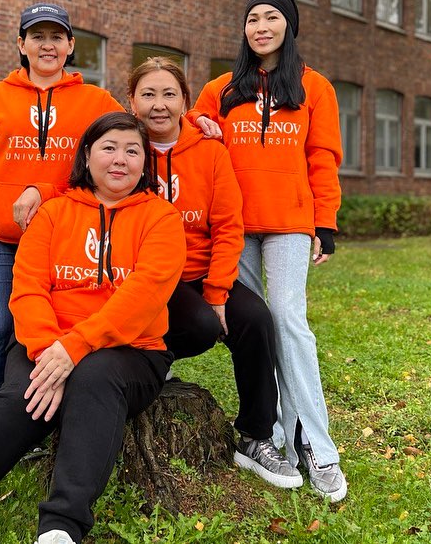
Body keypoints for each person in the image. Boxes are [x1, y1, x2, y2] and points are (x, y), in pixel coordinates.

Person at [0, 112, 186, 544]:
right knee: (22, 397)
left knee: (95, 378)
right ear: (86, 156)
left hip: (133, 350)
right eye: (109, 148)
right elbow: (28, 288)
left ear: (145, 163)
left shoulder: (162, 218)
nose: (120, 159)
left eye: (133, 151)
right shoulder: (53, 213)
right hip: (45, 342)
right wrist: (50, 351)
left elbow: (143, 296)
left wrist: (74, 349)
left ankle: (61, 527)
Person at [191, 0, 347, 502]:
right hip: (233, 225)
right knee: (256, 325)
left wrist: (325, 222)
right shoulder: (220, 88)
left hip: (288, 223)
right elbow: (187, 132)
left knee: (288, 320)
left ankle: (318, 447)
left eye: (271, 17)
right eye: (252, 18)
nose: (260, 26)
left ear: (289, 26)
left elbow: (322, 158)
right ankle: (273, 431)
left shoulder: (314, 87)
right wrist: (201, 125)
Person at [127, 58, 302, 490]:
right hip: (146, 277)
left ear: (186, 102)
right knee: (202, 327)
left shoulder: (210, 152)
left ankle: (256, 437)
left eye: (169, 94)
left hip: (200, 272)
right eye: (148, 94)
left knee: (255, 319)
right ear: (131, 102)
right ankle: (151, 358)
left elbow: (227, 227)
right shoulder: (123, 151)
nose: (159, 105)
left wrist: (219, 291)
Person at [0, 3, 123, 407]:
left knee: (48, 329)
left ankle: (39, 412)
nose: (47, 45)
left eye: (56, 37)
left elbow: (136, 139)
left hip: (58, 237)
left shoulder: (96, 101)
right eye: (37, 37)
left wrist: (196, 121)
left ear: (70, 45)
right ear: (22, 45)